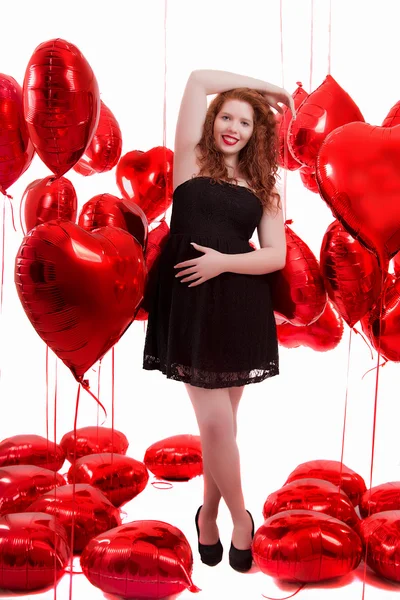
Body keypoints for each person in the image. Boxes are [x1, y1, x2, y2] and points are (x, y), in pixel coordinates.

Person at [143, 69, 294, 572]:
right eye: (226, 116)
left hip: (238, 305)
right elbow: (198, 77)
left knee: (221, 428)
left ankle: (207, 514)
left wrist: (223, 262)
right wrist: (266, 91)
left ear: (258, 134)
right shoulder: (189, 158)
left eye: (246, 122)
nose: (233, 127)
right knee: (215, 422)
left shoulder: (264, 185)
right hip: (188, 304)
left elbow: (274, 257)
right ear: (212, 120)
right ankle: (239, 520)